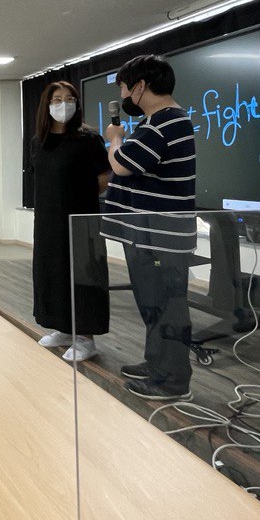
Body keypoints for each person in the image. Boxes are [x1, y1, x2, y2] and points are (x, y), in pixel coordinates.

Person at [101, 54, 198, 402]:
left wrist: (114, 138)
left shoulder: (165, 123)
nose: (125, 96)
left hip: (159, 235)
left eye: (126, 89)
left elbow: (124, 165)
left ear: (141, 87)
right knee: (152, 302)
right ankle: (156, 362)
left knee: (165, 304)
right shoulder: (158, 122)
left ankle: (171, 380)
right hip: (147, 232)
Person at [30, 81, 112, 363]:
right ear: (47, 105)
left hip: (80, 220)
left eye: (69, 98)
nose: (63, 104)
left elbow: (102, 180)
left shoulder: (88, 140)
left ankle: (86, 338)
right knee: (52, 273)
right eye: (57, 99)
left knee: (82, 275)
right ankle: (64, 328)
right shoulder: (39, 141)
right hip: (48, 221)